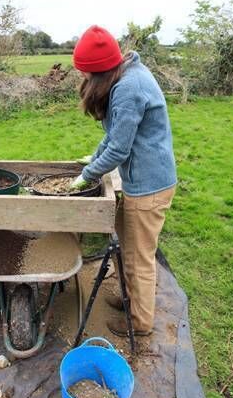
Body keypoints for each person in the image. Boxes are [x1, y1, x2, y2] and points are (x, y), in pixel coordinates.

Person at [70, 25, 177, 337]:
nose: (85, 80)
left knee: (139, 256)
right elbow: (113, 135)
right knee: (126, 246)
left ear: (101, 71)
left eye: (87, 75)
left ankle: (141, 322)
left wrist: (86, 176)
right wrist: (93, 157)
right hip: (140, 179)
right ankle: (130, 298)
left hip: (149, 186)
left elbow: (119, 148)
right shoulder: (125, 74)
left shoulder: (129, 89)